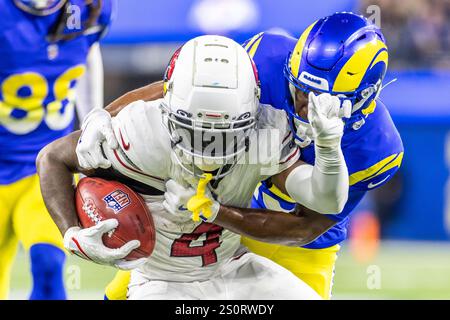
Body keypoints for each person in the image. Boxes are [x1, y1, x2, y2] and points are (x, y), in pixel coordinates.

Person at [75, 12, 404, 300]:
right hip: (237, 194)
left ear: (362, 97)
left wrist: (215, 212)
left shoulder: (376, 149)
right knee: (130, 289)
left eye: (321, 97)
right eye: (301, 90)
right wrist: (106, 115)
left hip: (297, 239)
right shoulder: (266, 58)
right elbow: (176, 89)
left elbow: (305, 226)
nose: (305, 105)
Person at [37, 35, 350, 299]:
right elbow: (52, 158)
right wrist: (71, 233)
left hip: (233, 267)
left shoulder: (266, 132)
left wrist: (328, 147)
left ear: (253, 108)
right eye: (195, 131)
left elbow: (324, 202)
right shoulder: (140, 130)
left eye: (224, 132)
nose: (208, 149)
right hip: (161, 281)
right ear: (167, 103)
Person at [0, 0, 114, 299]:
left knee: (48, 266)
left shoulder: (90, 7)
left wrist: (93, 119)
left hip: (45, 170)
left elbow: (88, 49)